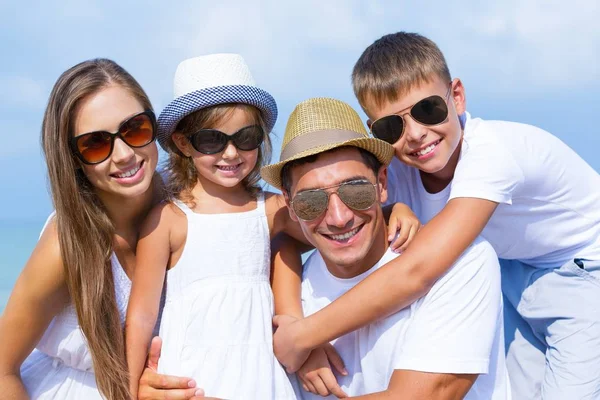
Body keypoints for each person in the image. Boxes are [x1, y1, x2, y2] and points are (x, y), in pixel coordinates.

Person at [272, 32, 600, 400]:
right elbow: (282, 225)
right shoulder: (395, 170)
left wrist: (302, 337)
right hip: (508, 271)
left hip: (581, 275)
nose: (414, 134)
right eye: (391, 127)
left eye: (427, 109)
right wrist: (291, 317)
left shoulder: (492, 154)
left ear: (456, 96)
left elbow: (418, 271)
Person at [261, 97, 509, 399]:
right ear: (289, 205)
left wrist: (300, 338)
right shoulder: (285, 303)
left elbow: (427, 396)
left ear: (381, 183)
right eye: (311, 201)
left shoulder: (463, 263)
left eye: (356, 191)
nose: (339, 218)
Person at [0, 59, 161, 400]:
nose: (124, 154)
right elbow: (2, 369)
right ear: (72, 159)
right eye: (96, 144)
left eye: (135, 128)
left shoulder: (185, 202)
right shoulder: (66, 247)